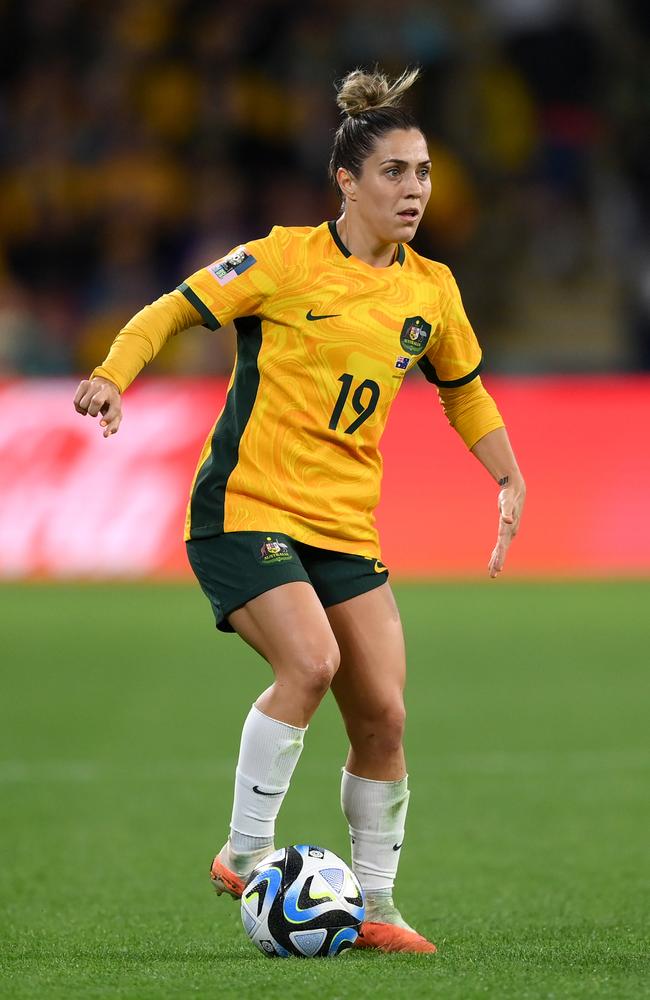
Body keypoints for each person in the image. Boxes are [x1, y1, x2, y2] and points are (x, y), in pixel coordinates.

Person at [73, 67, 525, 954]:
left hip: (342, 525)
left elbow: (464, 393)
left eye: (425, 172)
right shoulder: (279, 259)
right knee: (310, 660)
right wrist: (112, 376)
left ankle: (380, 911)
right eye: (394, 173)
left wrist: (509, 478)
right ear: (347, 181)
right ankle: (244, 852)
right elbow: (171, 310)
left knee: (384, 717)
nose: (415, 191)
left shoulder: (431, 290)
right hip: (246, 507)